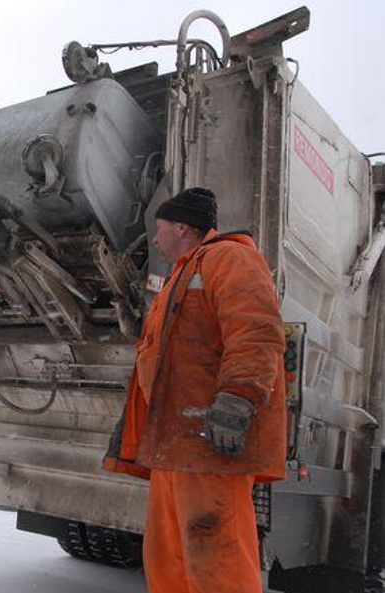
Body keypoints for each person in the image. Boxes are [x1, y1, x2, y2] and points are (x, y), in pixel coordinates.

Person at [103, 187, 286, 593]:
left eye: (160, 228)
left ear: (182, 227)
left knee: (215, 557)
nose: (155, 238)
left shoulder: (230, 258)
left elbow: (256, 331)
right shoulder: (180, 275)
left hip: (209, 445)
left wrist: (238, 397)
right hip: (172, 447)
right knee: (168, 560)